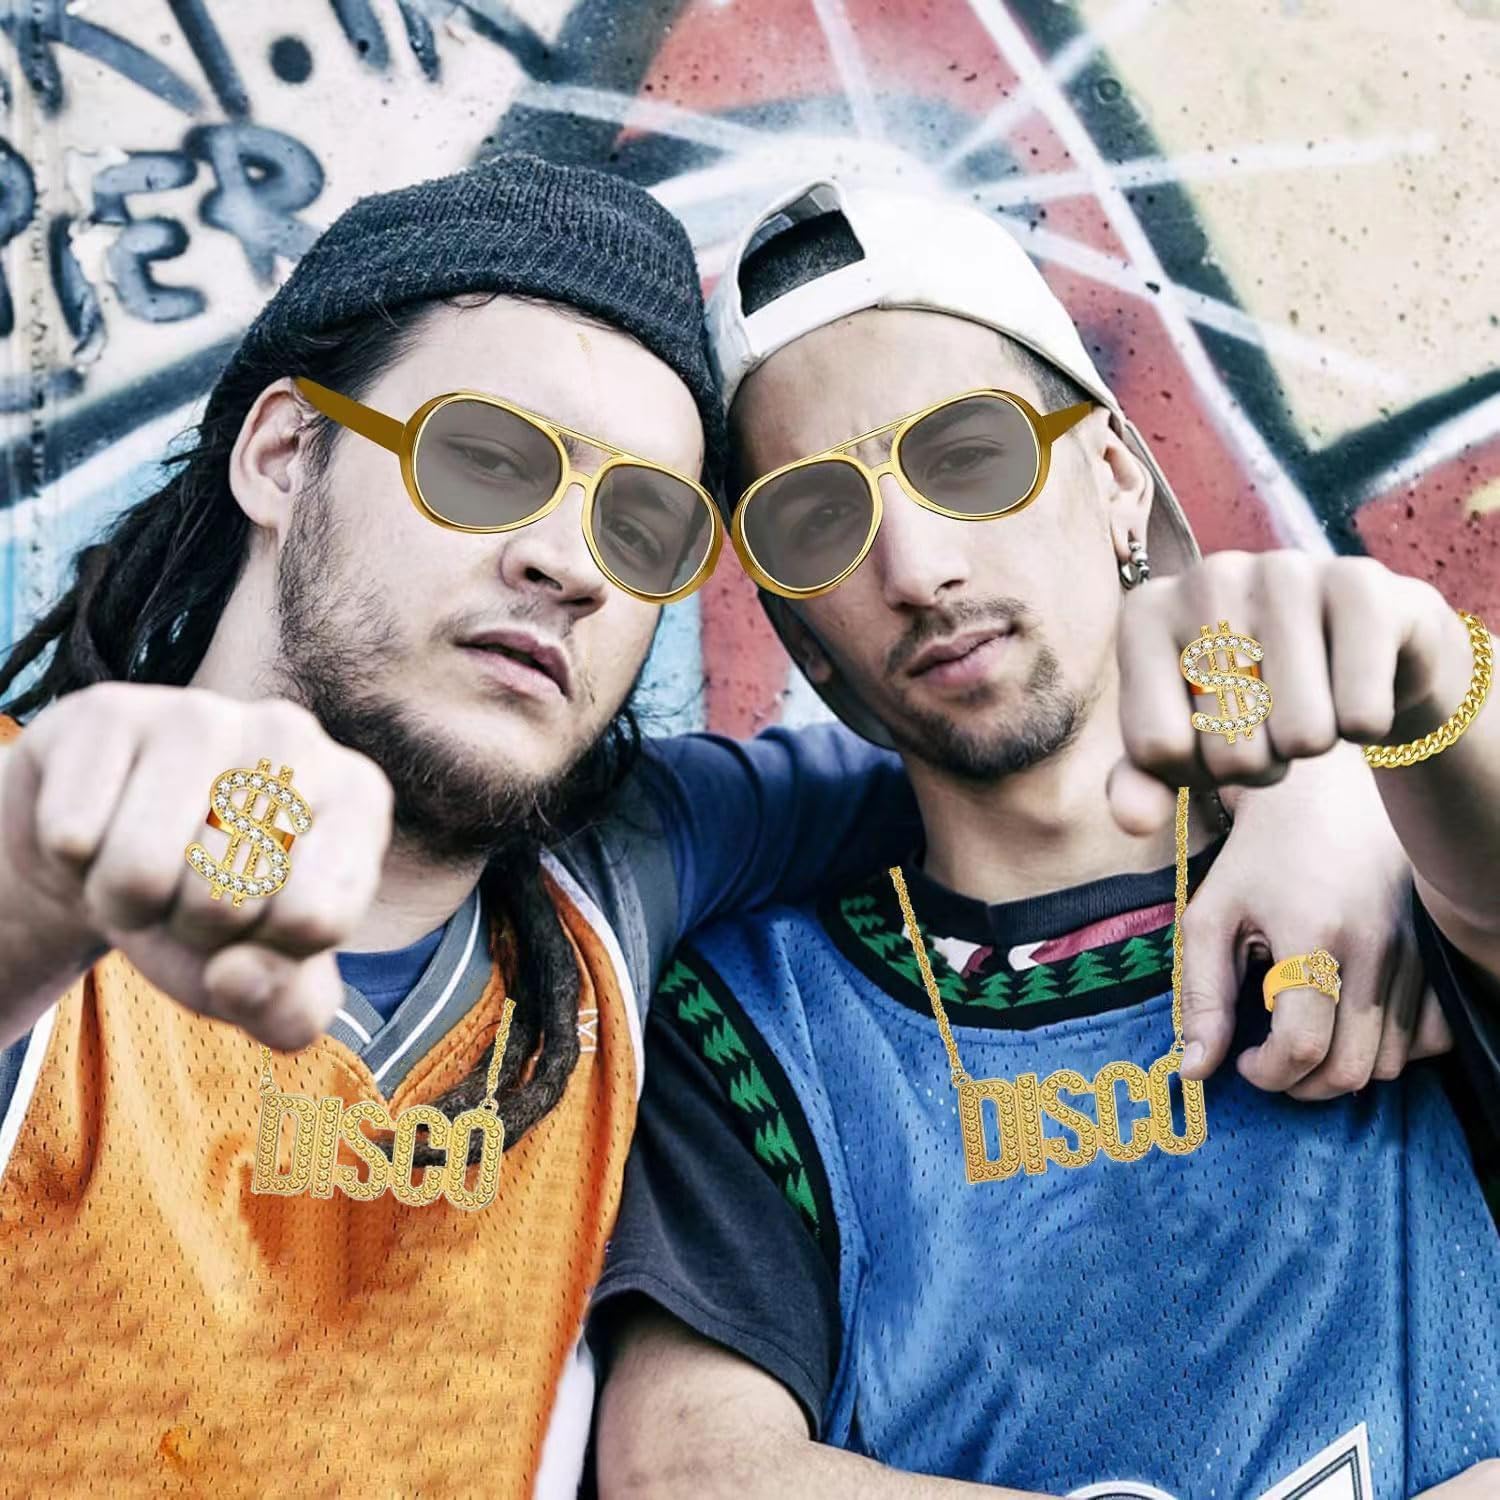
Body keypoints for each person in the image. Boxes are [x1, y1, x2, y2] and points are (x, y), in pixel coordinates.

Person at [0, 152, 933, 1498]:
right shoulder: (45, 843)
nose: (571, 562)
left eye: (642, 527)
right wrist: (48, 876)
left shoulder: (617, 886)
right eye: (489, 460)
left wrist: (1256, 744)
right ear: (285, 454)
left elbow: (1020, 762)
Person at [588, 180, 1500, 1500]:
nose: (916, 566)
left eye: (968, 456)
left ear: (1115, 478)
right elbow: (688, 1474)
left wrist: (1427, 686)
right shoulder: (748, 1025)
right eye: (818, 520)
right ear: (798, 631)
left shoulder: (1395, 876)